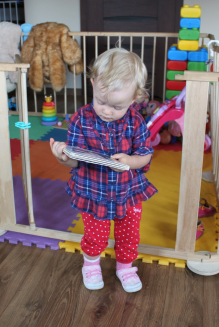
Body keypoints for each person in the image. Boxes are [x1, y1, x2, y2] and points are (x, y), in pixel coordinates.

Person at [50, 48, 157, 293]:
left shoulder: (135, 121)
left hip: (127, 191)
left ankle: (126, 267)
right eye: (101, 101)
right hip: (93, 191)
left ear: (134, 99)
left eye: (117, 106)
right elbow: (75, 160)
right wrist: (63, 158)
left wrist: (131, 161)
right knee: (95, 236)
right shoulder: (80, 119)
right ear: (93, 84)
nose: (107, 111)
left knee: (129, 235)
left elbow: (146, 155)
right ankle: (91, 264)